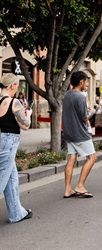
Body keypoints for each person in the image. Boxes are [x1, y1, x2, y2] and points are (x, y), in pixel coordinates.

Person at [0, 73, 33, 223]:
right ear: (12, 85)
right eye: (17, 85)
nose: (17, 88)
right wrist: (29, 114)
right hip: (9, 142)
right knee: (1, 179)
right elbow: (25, 125)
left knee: (12, 178)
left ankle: (16, 213)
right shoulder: (14, 102)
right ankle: (16, 213)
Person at [62, 71, 97, 198]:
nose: (87, 83)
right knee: (92, 158)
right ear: (81, 82)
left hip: (69, 133)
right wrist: (92, 112)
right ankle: (80, 186)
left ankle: (67, 189)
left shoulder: (66, 95)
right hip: (80, 133)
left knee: (71, 159)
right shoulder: (80, 97)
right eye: (86, 81)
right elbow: (84, 118)